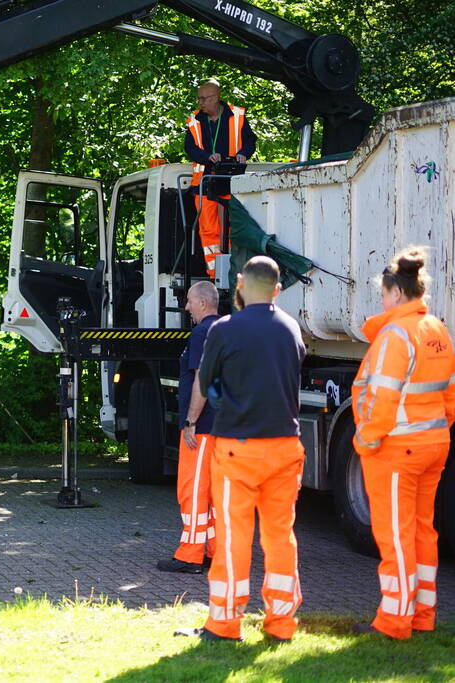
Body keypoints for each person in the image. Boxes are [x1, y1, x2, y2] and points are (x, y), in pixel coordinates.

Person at [185, 256, 306, 642]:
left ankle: (224, 624)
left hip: (238, 448)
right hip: (286, 447)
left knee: (235, 536)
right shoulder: (291, 329)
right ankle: (282, 623)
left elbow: (206, 382)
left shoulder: (224, 329)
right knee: (280, 537)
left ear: (239, 283)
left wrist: (209, 412)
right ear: (278, 288)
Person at [351, 248, 455, 640]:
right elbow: (449, 393)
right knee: (423, 531)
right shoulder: (436, 329)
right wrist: (438, 429)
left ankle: (394, 621)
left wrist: (366, 440)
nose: (381, 299)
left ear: (395, 292)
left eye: (382, 292)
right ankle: (423, 614)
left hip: (396, 448)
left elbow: (382, 396)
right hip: (432, 443)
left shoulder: (396, 335)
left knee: (395, 535)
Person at [157, 281, 221, 574]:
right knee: (214, 493)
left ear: (204, 304)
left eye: (190, 302)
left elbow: (201, 380)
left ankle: (190, 555)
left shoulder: (201, 332)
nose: (186, 307)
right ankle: (213, 550)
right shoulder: (225, 330)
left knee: (192, 490)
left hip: (203, 426)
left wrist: (190, 421)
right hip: (222, 426)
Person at [184, 79, 257, 279]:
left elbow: (251, 141)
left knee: (235, 226)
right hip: (204, 183)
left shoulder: (237, 116)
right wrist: (207, 156)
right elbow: (190, 148)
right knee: (208, 229)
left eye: (203, 98)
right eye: (198, 98)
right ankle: (215, 274)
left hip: (232, 181)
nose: (200, 102)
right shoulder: (195, 120)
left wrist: (243, 153)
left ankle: (237, 271)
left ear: (216, 97)